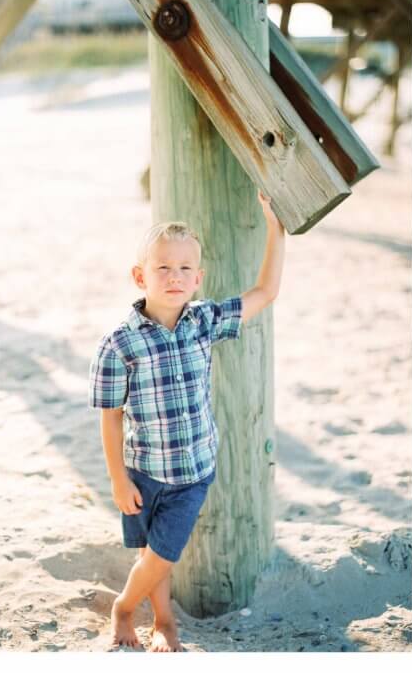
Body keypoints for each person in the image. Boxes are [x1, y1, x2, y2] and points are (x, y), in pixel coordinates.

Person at [88, 190, 284, 651]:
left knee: (162, 553)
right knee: (150, 555)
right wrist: (118, 479)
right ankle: (163, 620)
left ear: (198, 278)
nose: (173, 277)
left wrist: (276, 231)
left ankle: (122, 608)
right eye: (162, 268)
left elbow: (266, 292)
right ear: (140, 276)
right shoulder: (120, 344)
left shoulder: (204, 320)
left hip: (193, 471)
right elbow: (110, 418)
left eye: (184, 270)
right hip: (142, 470)